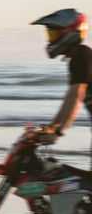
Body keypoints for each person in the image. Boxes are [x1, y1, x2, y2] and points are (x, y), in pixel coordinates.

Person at [31, 8, 92, 149]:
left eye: (53, 34)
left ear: (67, 33)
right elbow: (70, 97)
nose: (50, 40)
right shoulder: (79, 56)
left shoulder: (82, 55)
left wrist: (58, 132)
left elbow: (77, 96)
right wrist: (52, 126)